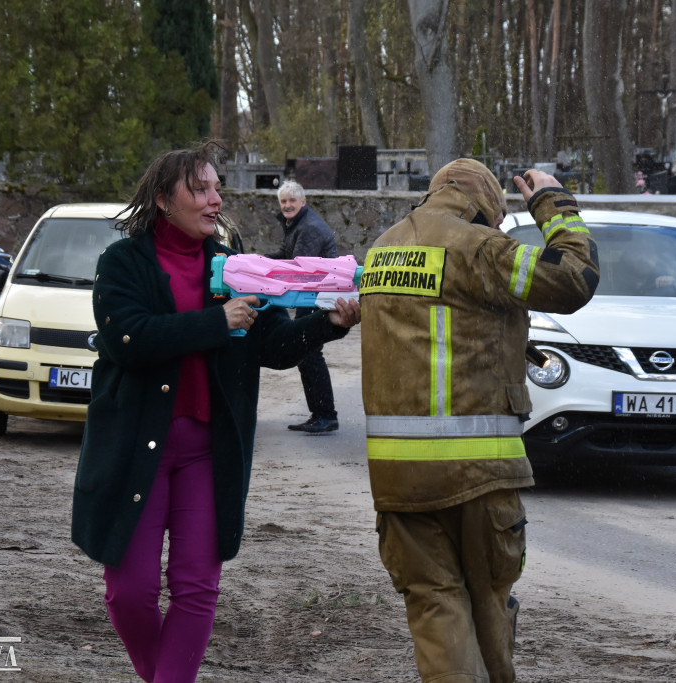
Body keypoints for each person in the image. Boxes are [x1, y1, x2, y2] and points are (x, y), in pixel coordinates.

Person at [70, 143, 360, 683]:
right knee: (129, 591)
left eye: (216, 188)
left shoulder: (235, 265)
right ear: (164, 199)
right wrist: (216, 322)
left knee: (197, 588)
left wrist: (329, 324)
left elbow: (273, 346)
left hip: (209, 452)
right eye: (200, 189)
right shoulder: (122, 262)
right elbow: (128, 338)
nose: (214, 200)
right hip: (134, 449)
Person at [358, 160, 600, 682]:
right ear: (486, 207)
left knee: (434, 604)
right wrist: (554, 204)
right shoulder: (477, 246)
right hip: (478, 473)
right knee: (489, 603)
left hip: (398, 478)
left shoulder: (381, 250)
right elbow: (573, 279)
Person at [265, 180, 341, 433]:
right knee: (308, 352)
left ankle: (325, 415)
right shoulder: (298, 223)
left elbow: (298, 267)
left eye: (291, 201)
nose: (287, 205)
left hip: (317, 293)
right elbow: (286, 254)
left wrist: (263, 272)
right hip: (313, 292)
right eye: (283, 201)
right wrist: (257, 261)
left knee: (309, 352)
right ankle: (321, 414)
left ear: (303, 202)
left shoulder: (308, 228)